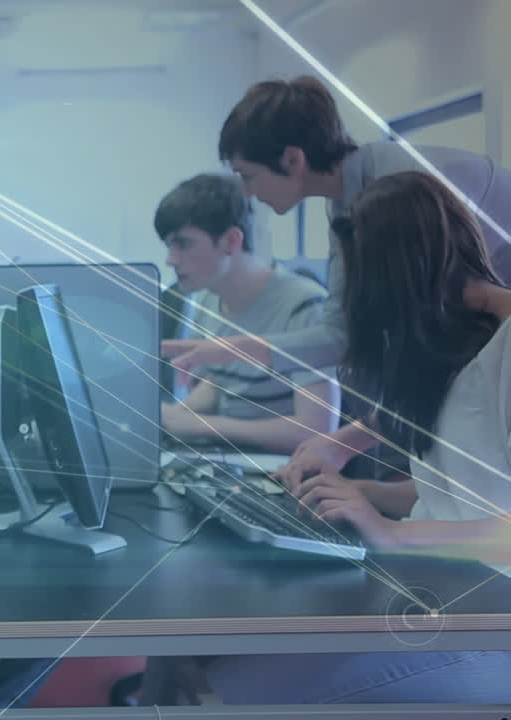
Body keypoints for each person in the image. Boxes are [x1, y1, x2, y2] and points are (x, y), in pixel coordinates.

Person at [202, 171, 511, 704]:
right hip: (439, 588)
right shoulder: (455, 341)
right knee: (215, 665)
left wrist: (389, 532)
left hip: (488, 623)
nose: (349, 305)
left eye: (355, 282)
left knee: (234, 690)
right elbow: (467, 477)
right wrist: (366, 486)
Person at [162, 75, 511, 482]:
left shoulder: (402, 193)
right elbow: (339, 335)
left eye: (248, 174)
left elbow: (428, 354)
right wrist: (222, 350)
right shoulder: (348, 205)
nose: (248, 193)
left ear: (293, 159)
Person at [155, 174, 339, 454]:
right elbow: (220, 388)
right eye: (169, 246)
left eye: (183, 244)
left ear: (230, 241)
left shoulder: (303, 304)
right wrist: (164, 417)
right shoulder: (205, 300)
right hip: (228, 464)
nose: (171, 259)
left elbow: (316, 429)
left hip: (283, 476)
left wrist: (198, 425)